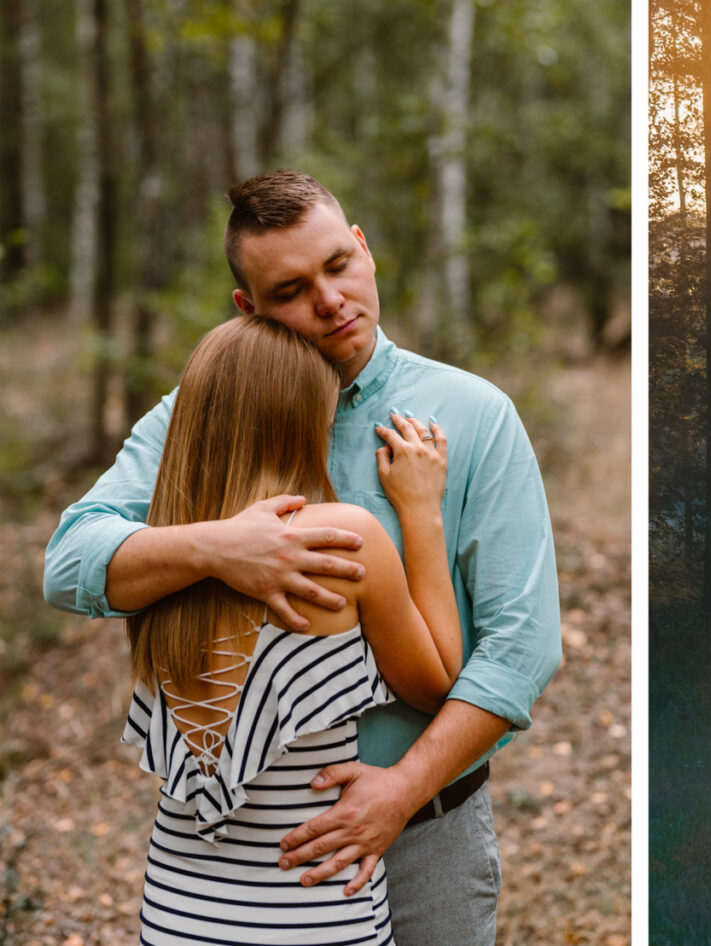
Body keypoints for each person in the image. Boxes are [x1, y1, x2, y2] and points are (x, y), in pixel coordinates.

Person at [44, 170, 562, 946]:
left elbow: (521, 651)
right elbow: (68, 562)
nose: (330, 301)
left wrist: (400, 790)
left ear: (364, 248)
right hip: (238, 853)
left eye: (338, 265)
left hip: (428, 838)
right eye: (290, 290)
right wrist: (219, 547)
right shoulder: (201, 417)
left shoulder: (474, 415)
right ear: (248, 308)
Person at [125, 315, 460, 943]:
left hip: (175, 907)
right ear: (299, 421)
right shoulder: (340, 538)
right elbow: (437, 684)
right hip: (312, 904)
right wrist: (421, 512)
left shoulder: (156, 554)